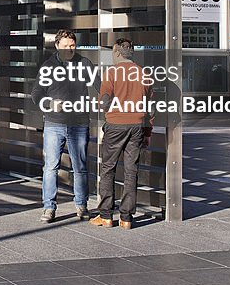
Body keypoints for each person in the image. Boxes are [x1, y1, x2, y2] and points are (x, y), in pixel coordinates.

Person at [31, 29, 94, 223]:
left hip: (79, 123)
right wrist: (50, 103)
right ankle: (49, 208)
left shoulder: (85, 64)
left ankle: (81, 206)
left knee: (80, 168)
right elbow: (36, 94)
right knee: (50, 168)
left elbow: (101, 87)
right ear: (57, 46)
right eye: (66, 46)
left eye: (72, 45)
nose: (70, 49)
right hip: (53, 123)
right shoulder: (48, 67)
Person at [91, 38, 153, 230]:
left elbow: (104, 100)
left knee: (108, 168)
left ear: (116, 53)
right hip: (136, 126)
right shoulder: (144, 74)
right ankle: (126, 218)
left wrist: (109, 114)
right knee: (130, 171)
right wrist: (147, 131)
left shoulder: (111, 72)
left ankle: (106, 216)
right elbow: (150, 108)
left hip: (116, 125)